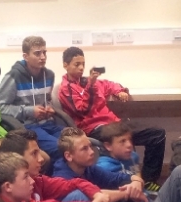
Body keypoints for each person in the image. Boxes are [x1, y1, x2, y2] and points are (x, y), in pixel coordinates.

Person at [57, 47, 167, 189]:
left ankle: (148, 180)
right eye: (76, 64)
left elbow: (110, 85)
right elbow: (81, 110)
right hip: (94, 128)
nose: (81, 68)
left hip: (113, 123)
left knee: (157, 134)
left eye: (83, 64)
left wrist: (119, 91)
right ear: (65, 65)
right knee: (125, 140)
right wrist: (90, 87)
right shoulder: (66, 88)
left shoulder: (91, 81)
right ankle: (123, 181)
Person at [0, 35, 63, 159]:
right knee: (59, 148)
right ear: (26, 56)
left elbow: (47, 99)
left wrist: (49, 107)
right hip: (28, 127)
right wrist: (29, 111)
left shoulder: (49, 75)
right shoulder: (14, 76)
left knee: (75, 143)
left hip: (48, 123)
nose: (43, 57)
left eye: (44, 52)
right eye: (37, 53)